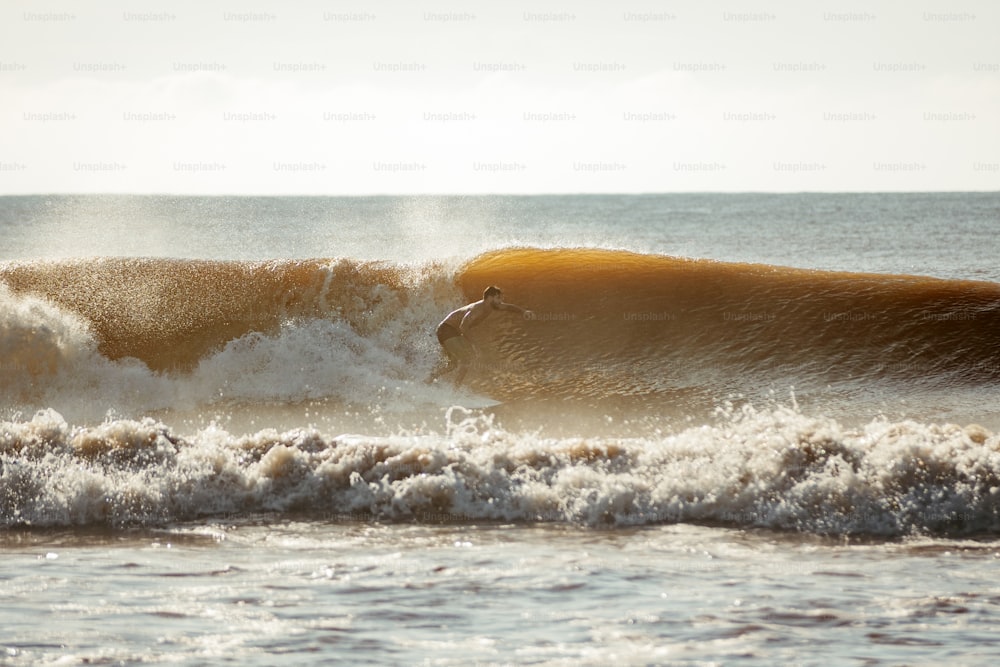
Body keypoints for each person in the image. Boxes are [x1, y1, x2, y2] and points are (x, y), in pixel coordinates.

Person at [430, 285, 532, 386]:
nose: (501, 301)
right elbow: (463, 326)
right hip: (447, 330)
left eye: (501, 298)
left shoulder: (492, 306)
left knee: (453, 364)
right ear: (489, 298)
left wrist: (523, 311)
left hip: (449, 331)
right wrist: (473, 344)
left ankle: (429, 380)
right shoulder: (477, 309)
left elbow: (508, 307)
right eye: (498, 298)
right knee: (466, 359)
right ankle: (455, 391)